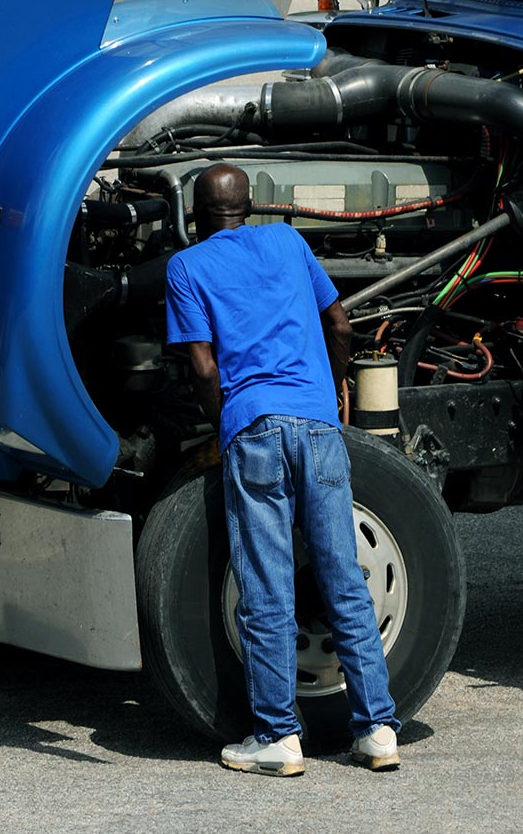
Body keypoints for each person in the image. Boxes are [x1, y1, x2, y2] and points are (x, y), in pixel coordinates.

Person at [164, 163, 399, 777]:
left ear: (195, 213)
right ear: (252, 205)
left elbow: (204, 368)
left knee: (267, 587)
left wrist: (225, 422)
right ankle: (376, 728)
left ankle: (277, 737)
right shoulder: (289, 242)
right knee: (343, 577)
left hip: (255, 429)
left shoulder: (186, 266)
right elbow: (340, 323)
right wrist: (336, 387)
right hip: (319, 427)